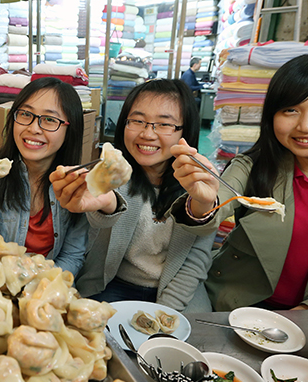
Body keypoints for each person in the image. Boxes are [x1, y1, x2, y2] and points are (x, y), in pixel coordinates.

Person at [171, 53, 308, 311]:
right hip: (233, 307)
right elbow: (214, 207)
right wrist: (202, 202)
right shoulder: (253, 166)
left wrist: (307, 312)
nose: (306, 125)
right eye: (290, 110)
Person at [50, 79, 213, 311]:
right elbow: (106, 210)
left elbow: (195, 261)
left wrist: (163, 313)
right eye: (137, 121)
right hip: (114, 284)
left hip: (177, 291)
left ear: (185, 132)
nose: (147, 133)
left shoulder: (198, 183)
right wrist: (106, 203)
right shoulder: (112, 172)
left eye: (164, 124)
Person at [0, 77, 89, 276]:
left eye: (50, 119)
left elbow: (72, 256)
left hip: (49, 287)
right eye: (25, 114)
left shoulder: (76, 183)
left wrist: (36, 287)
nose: (33, 128)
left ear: (71, 130)